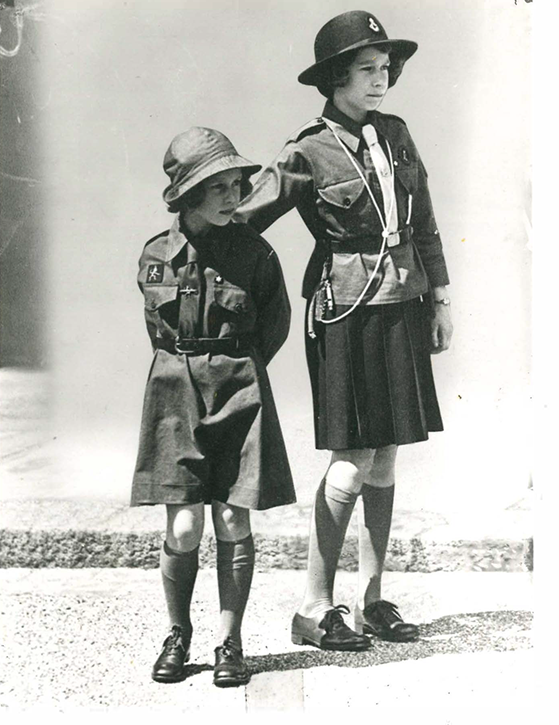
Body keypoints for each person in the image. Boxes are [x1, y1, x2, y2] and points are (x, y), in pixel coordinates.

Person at [235, 10, 453, 651]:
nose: (381, 79)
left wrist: (441, 300)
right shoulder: (307, 149)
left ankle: (372, 598)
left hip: (404, 305)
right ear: (336, 77)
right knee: (352, 463)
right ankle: (313, 607)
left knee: (386, 456)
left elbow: (424, 221)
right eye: (367, 69)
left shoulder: (397, 133)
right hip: (347, 313)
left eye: (386, 68)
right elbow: (241, 219)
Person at [131, 127, 296, 685]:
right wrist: (189, 367)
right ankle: (178, 634)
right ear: (188, 192)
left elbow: (274, 326)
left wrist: (234, 368)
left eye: (237, 184)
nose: (234, 196)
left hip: (240, 388)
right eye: (218, 186)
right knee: (183, 527)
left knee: (230, 516)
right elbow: (158, 330)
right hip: (173, 393)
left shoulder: (256, 253)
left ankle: (230, 641)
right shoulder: (155, 254)